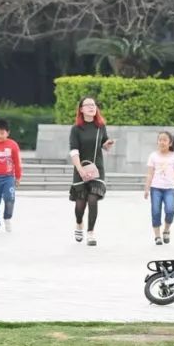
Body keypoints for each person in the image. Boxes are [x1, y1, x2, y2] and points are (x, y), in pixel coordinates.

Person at [69, 95, 115, 246]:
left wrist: (108, 144)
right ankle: (79, 223)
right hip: (80, 168)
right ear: (81, 109)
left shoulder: (101, 126)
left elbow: (104, 145)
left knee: (93, 199)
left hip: (97, 169)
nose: (91, 107)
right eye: (88, 105)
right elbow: (74, 151)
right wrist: (80, 169)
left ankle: (90, 232)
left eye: (93, 105)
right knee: (80, 204)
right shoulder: (76, 129)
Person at [142, 130, 174, 245]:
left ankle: (166, 230)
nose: (162, 142)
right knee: (155, 211)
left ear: (170, 143)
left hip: (169, 189)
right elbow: (150, 173)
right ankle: (157, 236)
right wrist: (146, 189)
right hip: (155, 188)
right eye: (160, 140)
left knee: (170, 210)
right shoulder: (153, 156)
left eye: (165, 140)